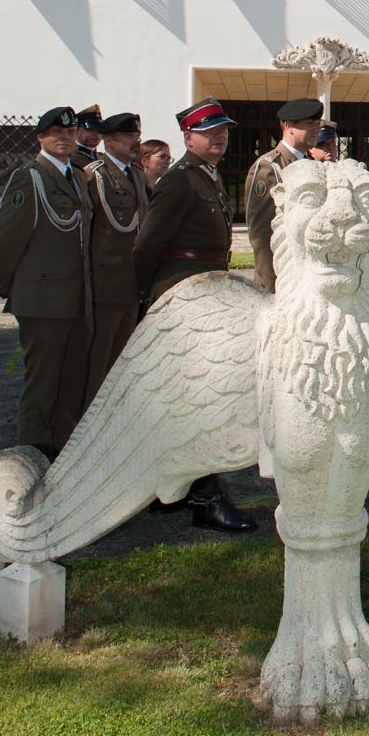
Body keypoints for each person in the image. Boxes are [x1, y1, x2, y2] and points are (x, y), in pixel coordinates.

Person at [133, 96, 255, 532]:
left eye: (223, 131)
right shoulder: (179, 179)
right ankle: (205, 496)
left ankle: (176, 489)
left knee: (189, 400)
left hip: (205, 294)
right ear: (188, 137)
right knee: (203, 400)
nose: (219, 137)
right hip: (182, 296)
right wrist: (146, 297)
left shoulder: (206, 175)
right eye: (209, 132)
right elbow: (148, 244)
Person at [0, 106, 93, 457]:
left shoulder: (78, 177)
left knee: (69, 379)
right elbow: (5, 242)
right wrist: (14, 288)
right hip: (42, 300)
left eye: (70, 131)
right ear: (41, 138)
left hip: (75, 296)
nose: (64, 137)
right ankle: (30, 453)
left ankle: (63, 449)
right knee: (42, 381)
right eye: (55, 133)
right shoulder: (29, 178)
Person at [84, 112, 148, 406]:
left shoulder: (135, 173)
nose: (136, 141)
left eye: (136, 135)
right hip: (106, 283)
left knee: (124, 358)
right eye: (129, 136)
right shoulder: (93, 175)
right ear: (109, 141)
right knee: (98, 359)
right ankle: (90, 419)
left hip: (132, 281)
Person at [244, 98, 324, 293]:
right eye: (310, 124)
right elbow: (261, 233)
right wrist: (271, 281)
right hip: (282, 276)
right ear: (289, 127)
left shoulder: (311, 164)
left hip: (307, 271)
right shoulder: (269, 167)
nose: (316, 129)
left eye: (318, 124)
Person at [73, 104, 103, 171]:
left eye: (99, 129)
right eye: (90, 129)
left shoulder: (104, 159)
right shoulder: (68, 159)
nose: (96, 133)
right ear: (76, 130)